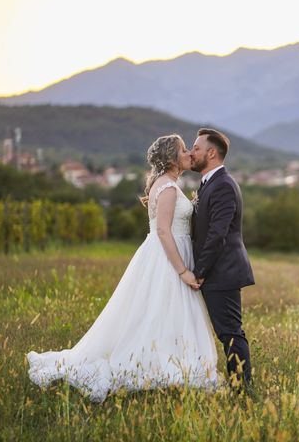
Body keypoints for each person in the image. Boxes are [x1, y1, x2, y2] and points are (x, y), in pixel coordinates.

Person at [26, 134, 220, 402]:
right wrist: (183, 271)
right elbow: (164, 231)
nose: (189, 153)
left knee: (161, 312)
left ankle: (168, 359)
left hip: (164, 254)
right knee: (160, 310)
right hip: (168, 258)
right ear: (172, 159)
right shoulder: (167, 188)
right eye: (184, 150)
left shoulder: (167, 184)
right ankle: (157, 365)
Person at [190, 128, 255, 390]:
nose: (191, 153)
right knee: (225, 332)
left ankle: (243, 390)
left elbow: (217, 235)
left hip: (222, 272)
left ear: (212, 153)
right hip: (215, 271)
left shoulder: (224, 186)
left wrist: (200, 271)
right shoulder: (209, 183)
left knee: (230, 333)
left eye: (196, 148)